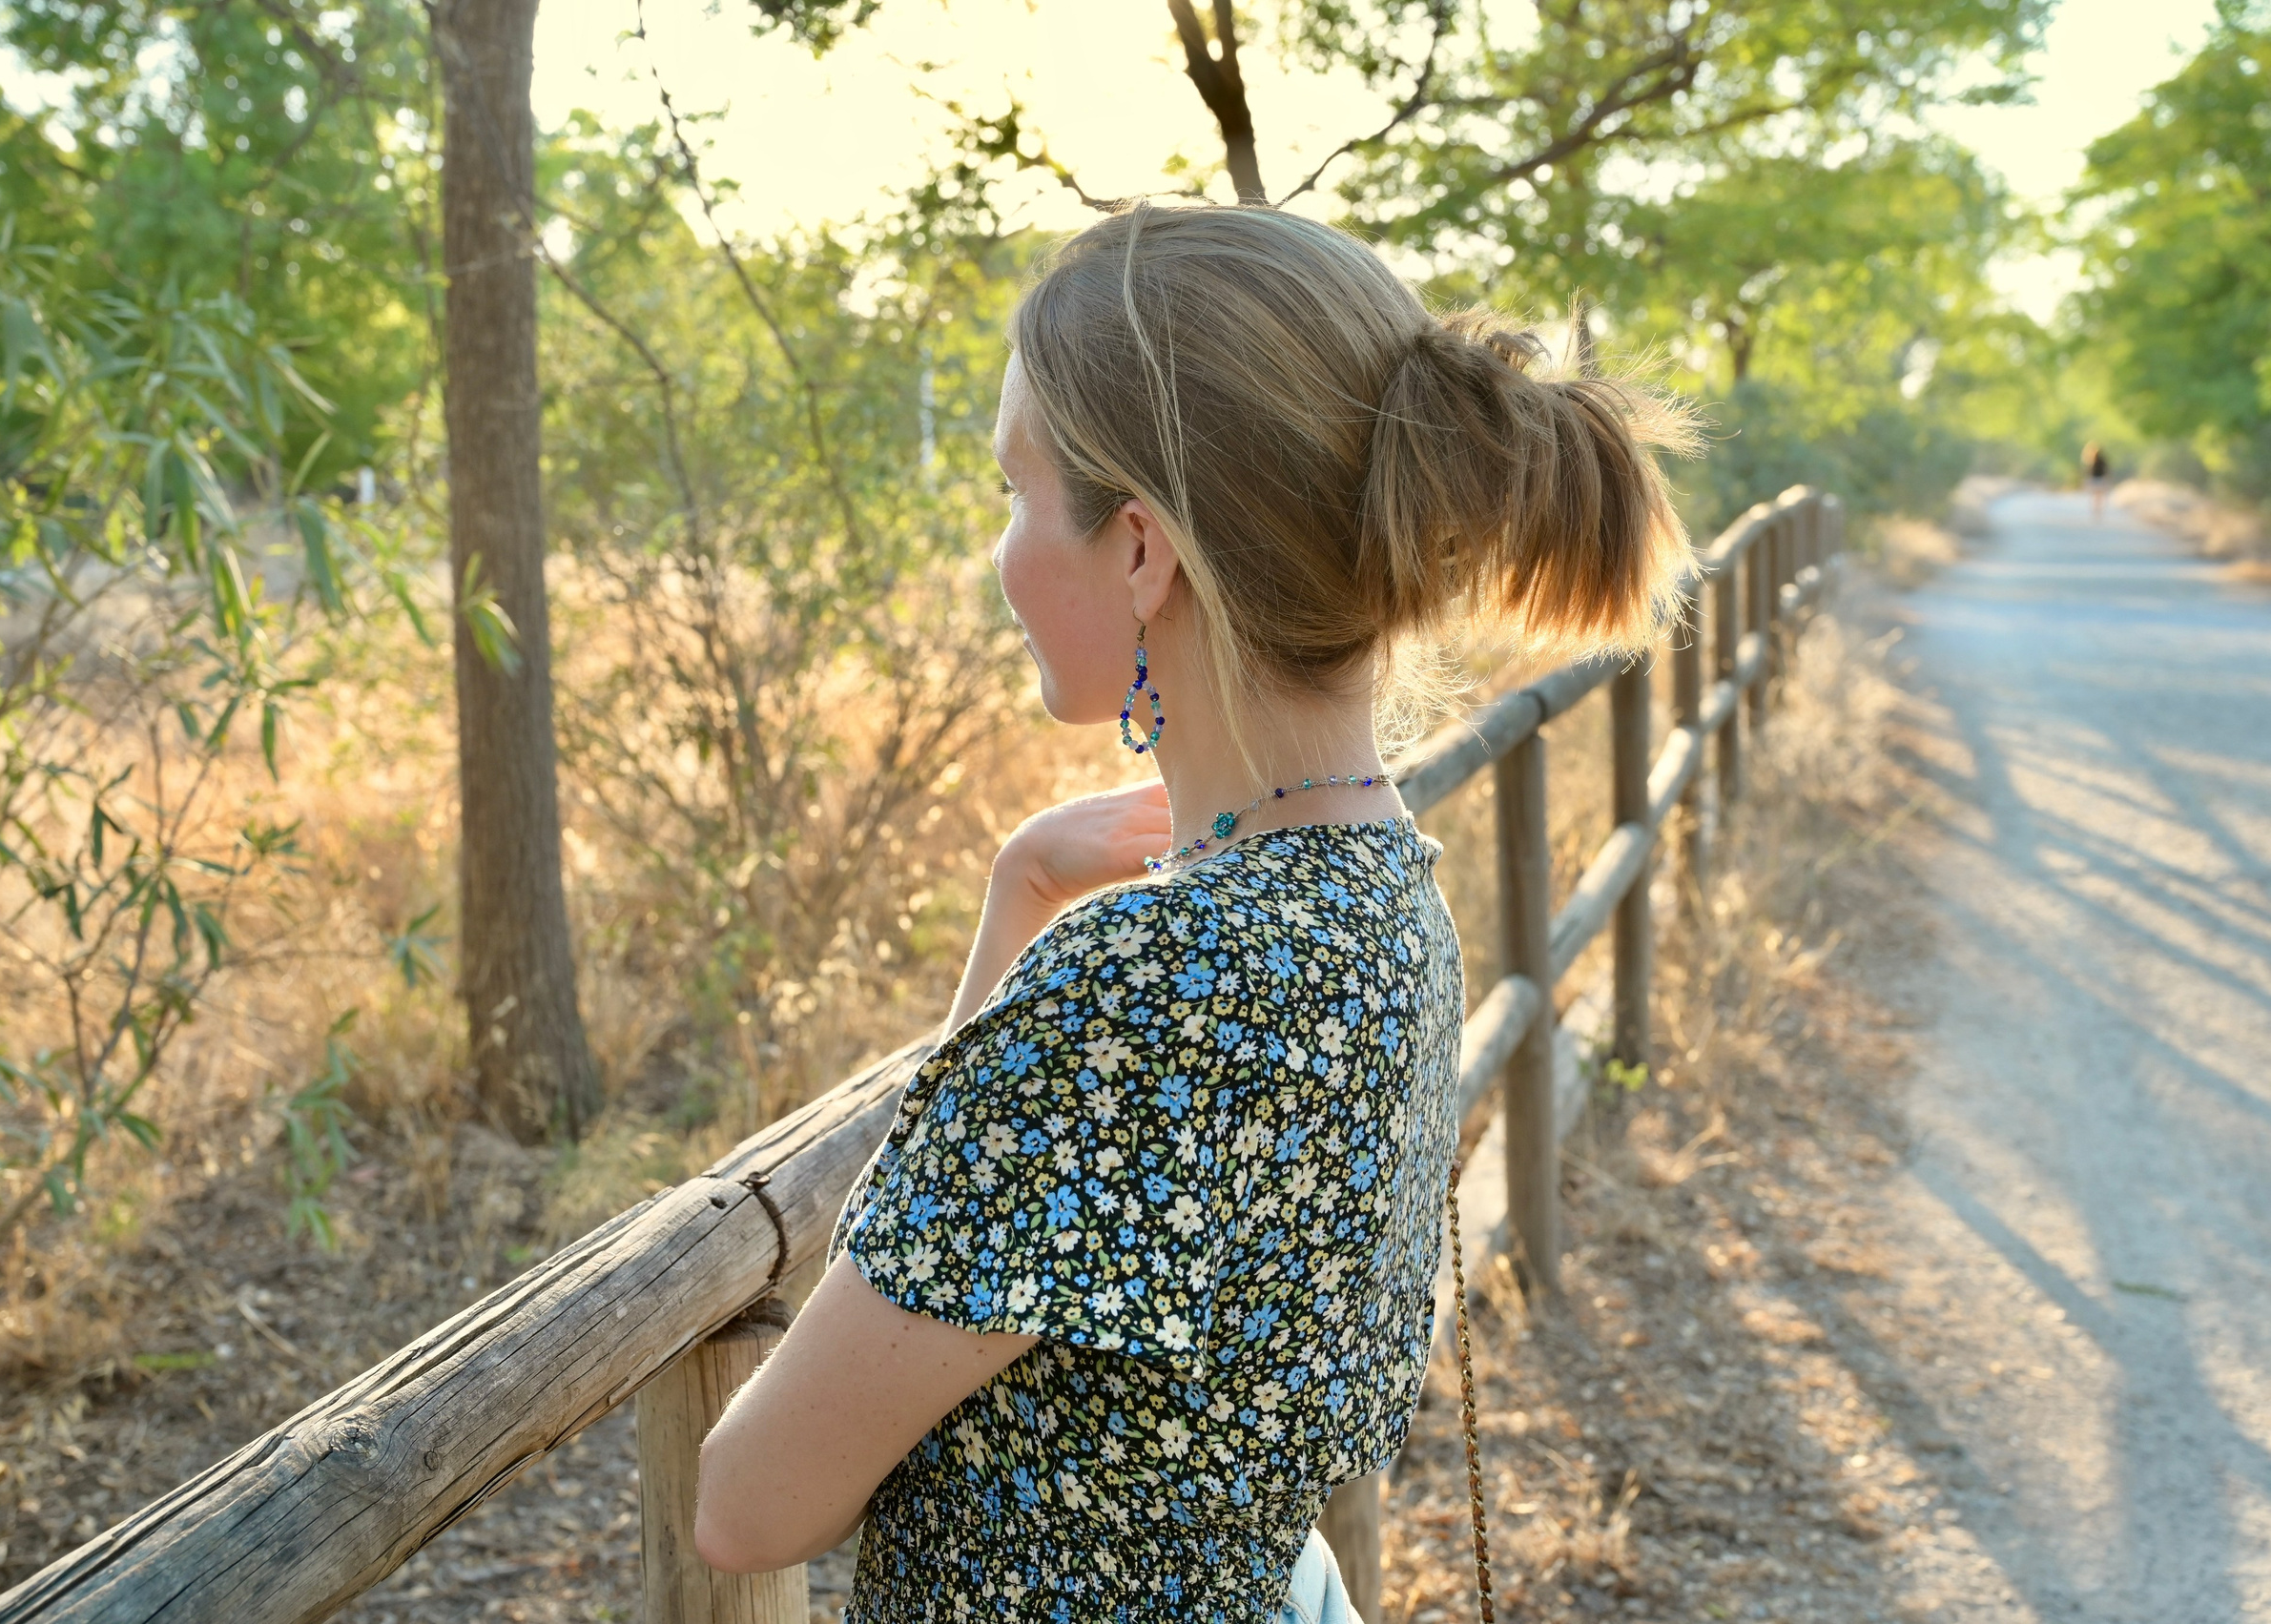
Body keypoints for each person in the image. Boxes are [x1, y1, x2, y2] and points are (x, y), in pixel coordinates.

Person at [692, 201, 1696, 1622]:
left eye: (1014, 495)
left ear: (1143, 551)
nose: (1002, 554)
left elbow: (751, 1501)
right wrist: (1022, 893)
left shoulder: (1153, 981)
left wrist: (1052, 949)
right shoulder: (1383, 891)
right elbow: (995, 1232)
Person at [2082, 441, 2111, 521]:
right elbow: (2106, 471)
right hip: (2099, 480)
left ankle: (2096, 511)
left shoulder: (2092, 461)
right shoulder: (2097, 461)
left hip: (2096, 480)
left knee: (2096, 497)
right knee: (2098, 497)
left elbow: (2088, 472)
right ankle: (2097, 511)